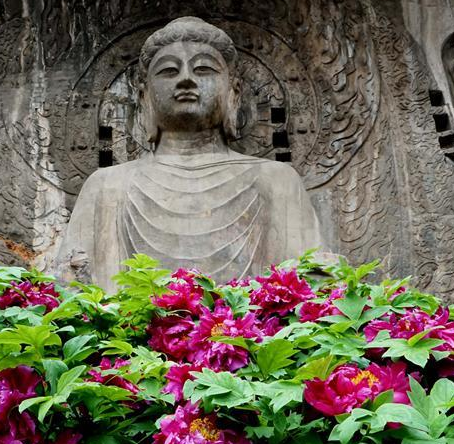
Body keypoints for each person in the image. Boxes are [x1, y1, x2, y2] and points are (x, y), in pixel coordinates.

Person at [55, 17, 322, 290]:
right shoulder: (106, 186)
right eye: (169, 70)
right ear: (144, 97)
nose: (185, 79)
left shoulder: (277, 180)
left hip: (253, 319)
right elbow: (73, 288)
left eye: (203, 69)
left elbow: (308, 287)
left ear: (234, 92)